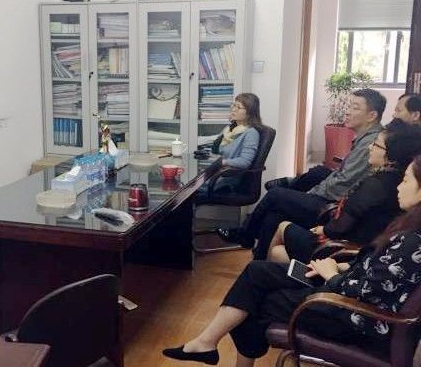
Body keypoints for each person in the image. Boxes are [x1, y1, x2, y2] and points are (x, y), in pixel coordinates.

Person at [162, 155, 421, 366]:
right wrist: (340, 267)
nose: (398, 186)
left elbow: (369, 293)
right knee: (257, 271)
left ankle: (209, 347)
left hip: (348, 314)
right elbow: (376, 272)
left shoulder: (413, 242)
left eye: (406, 180)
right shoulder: (410, 227)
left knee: (253, 302)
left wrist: (332, 274)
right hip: (342, 287)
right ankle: (206, 343)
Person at [218, 88, 385, 259]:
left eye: (355, 107)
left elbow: (343, 182)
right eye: (349, 106)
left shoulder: (370, 144)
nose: (347, 111)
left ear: (371, 115)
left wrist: (312, 193)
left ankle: (245, 234)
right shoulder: (365, 138)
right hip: (337, 201)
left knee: (276, 195)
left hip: (336, 208)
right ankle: (259, 258)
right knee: (277, 212)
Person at [268, 121, 421, 264]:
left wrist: (324, 229)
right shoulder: (390, 178)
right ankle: (264, 266)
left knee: (282, 224)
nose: (370, 147)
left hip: (342, 248)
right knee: (276, 230)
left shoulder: (376, 185)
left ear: (391, 156)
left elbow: (342, 225)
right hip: (350, 242)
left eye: (376, 145)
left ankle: (262, 266)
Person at [193, 93, 261, 202]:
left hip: (230, 179)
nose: (233, 109)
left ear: (249, 112)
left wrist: (222, 162)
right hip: (217, 175)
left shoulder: (251, 133)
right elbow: (217, 151)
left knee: (188, 193)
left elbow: (245, 161)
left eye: (238, 107)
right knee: (187, 188)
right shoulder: (230, 130)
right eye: (233, 105)